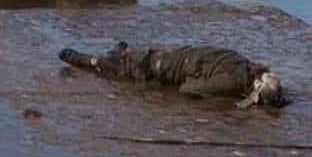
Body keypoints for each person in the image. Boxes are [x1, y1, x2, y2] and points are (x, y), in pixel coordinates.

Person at [59, 42, 286, 108]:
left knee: (127, 59)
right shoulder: (235, 81)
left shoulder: (241, 61)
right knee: (107, 66)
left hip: (166, 54)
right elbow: (188, 89)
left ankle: (118, 51)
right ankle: (82, 58)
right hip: (156, 68)